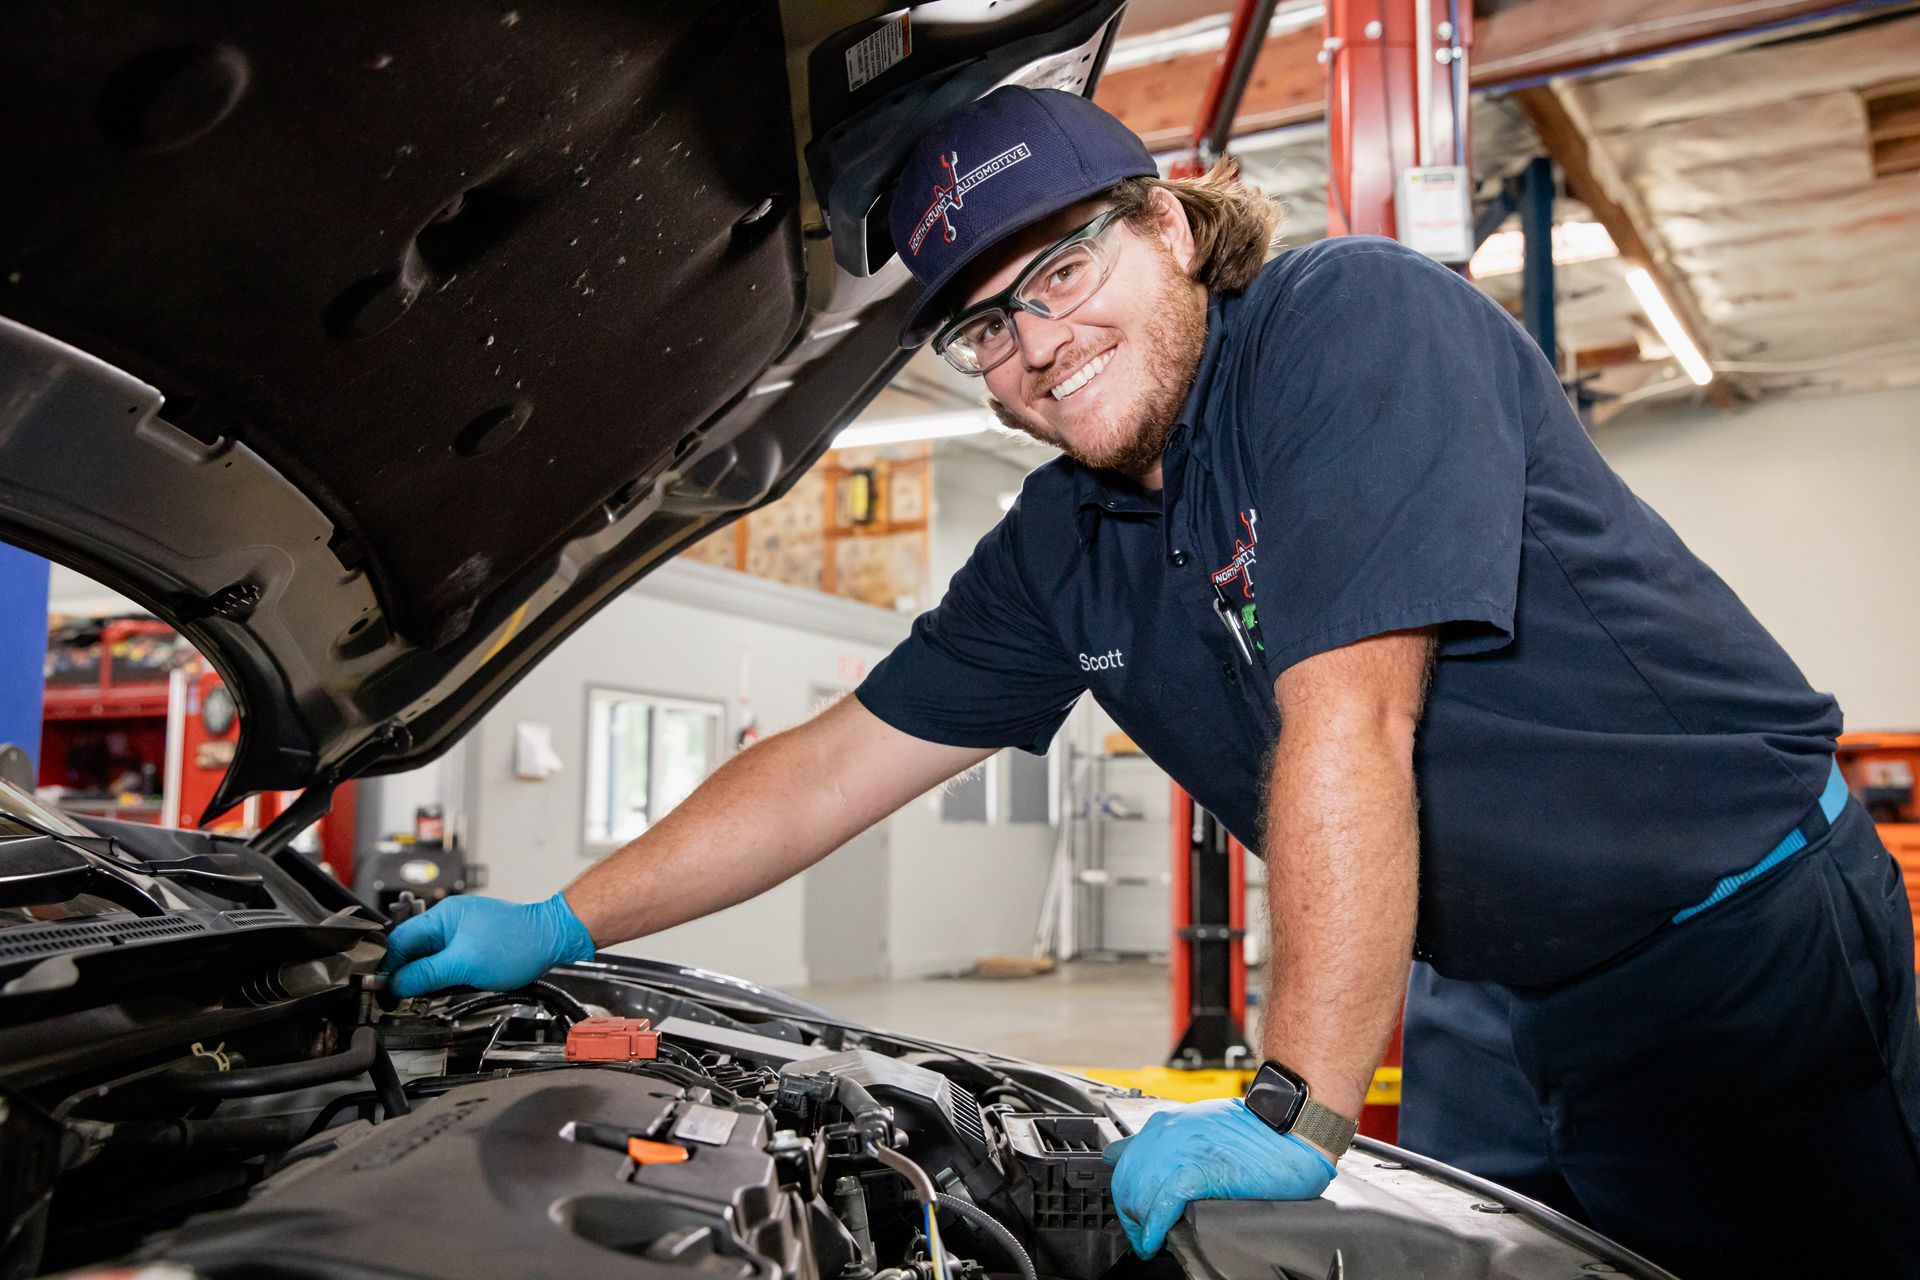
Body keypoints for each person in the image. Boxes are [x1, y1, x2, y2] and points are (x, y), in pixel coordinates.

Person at [380, 87, 1920, 1276]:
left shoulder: (1352, 329)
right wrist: (565, 916)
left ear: (1175, 228)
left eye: (1063, 267)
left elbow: (1353, 717)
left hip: (1739, 953)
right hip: (1479, 991)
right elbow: (837, 759)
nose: (1037, 346)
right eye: (987, 324)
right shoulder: (1067, 540)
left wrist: (1300, 1103)